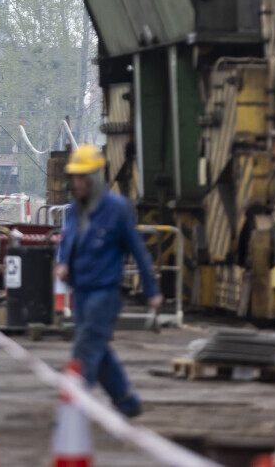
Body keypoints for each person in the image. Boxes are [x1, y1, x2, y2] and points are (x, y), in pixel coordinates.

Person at [56, 144, 161, 418]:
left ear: (95, 177)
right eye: (74, 177)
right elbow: (67, 239)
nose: (77, 183)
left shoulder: (117, 209)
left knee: (85, 347)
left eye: (82, 177)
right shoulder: (75, 209)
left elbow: (138, 250)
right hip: (81, 290)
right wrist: (63, 262)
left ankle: (76, 408)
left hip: (104, 292)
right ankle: (126, 400)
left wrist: (151, 291)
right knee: (97, 348)